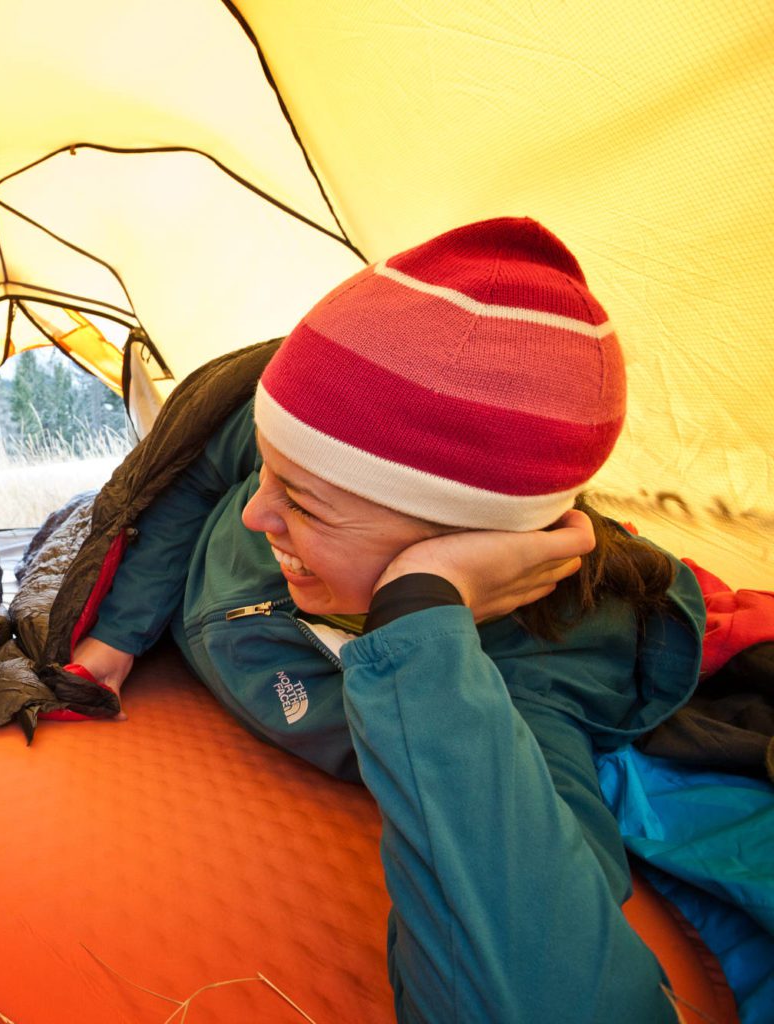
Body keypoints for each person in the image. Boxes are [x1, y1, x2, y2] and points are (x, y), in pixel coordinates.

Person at [66, 219, 706, 1022]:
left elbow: (541, 996)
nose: (258, 513)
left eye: (303, 503)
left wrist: (421, 619)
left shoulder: (522, 680)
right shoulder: (291, 459)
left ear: (472, 543)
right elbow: (192, 473)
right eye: (269, 472)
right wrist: (119, 634)